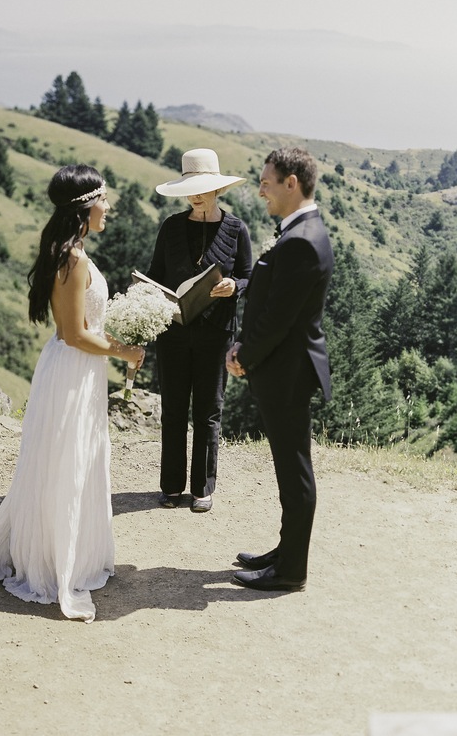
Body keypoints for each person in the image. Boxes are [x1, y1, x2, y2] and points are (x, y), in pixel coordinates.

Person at [0, 165, 145, 622]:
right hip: (75, 368)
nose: (109, 208)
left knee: (72, 458)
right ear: (86, 206)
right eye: (104, 200)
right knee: (68, 460)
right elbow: (76, 334)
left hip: (76, 369)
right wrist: (126, 351)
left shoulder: (70, 252)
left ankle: (68, 552)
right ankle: (57, 563)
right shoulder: (74, 259)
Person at [226, 147, 333, 592]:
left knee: (294, 469)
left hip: (287, 372)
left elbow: (277, 319)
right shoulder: (298, 232)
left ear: (293, 183)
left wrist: (243, 356)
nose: (261, 189)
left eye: (267, 182)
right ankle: (286, 552)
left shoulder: (303, 241)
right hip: (283, 368)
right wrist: (244, 344)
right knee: (288, 467)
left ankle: (291, 570)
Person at [149, 148, 252, 512]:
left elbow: (249, 276)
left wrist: (234, 287)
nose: (196, 194)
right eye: (190, 187)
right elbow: (155, 275)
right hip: (173, 332)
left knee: (208, 411)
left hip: (216, 332)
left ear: (216, 189)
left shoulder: (237, 229)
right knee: (174, 409)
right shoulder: (171, 227)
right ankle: (171, 487)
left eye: (203, 187)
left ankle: (203, 488)